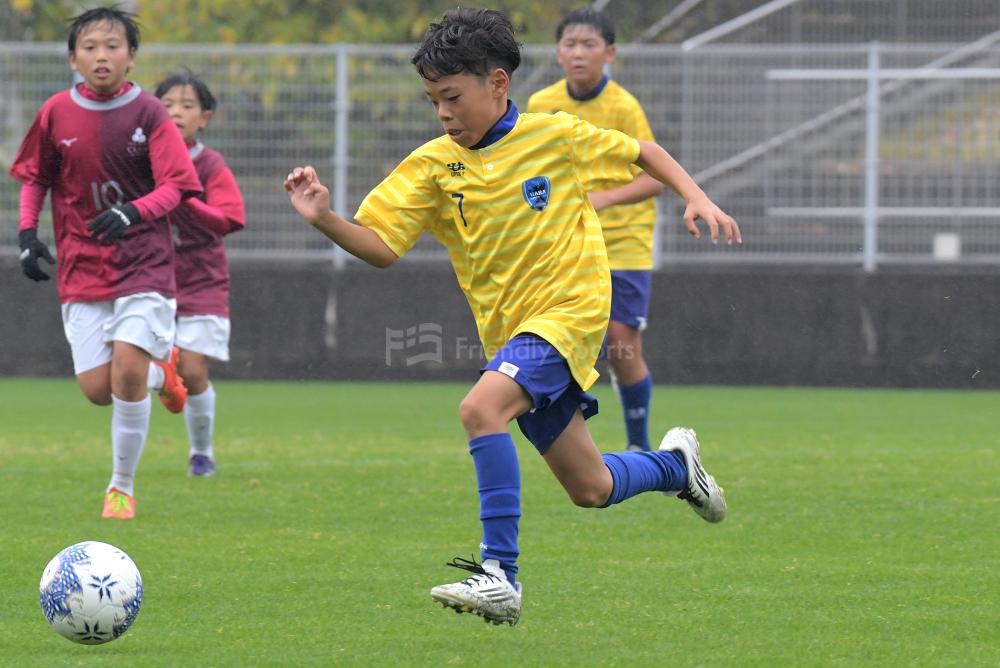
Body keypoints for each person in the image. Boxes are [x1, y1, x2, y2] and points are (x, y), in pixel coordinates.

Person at [284, 7, 740, 626]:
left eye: (453, 98)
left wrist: (696, 196)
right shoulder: (431, 166)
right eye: (433, 102)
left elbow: (643, 152)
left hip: (571, 311)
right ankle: (675, 466)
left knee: (480, 408)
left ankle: (500, 573)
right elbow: (382, 247)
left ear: (497, 83)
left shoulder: (555, 136)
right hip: (511, 334)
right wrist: (325, 220)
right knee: (591, 487)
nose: (443, 114)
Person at [9, 7, 201, 519]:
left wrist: (132, 211)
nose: (102, 56)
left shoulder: (150, 113)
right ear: (73, 58)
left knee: (127, 367)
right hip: (82, 268)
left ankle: (121, 488)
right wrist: (26, 234)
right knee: (99, 389)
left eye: (113, 46)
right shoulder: (55, 112)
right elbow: (36, 178)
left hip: (144, 265)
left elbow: (176, 186)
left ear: (131, 57)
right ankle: (164, 376)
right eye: (90, 47)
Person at [527, 8, 662, 452]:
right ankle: (571, 433)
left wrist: (602, 198)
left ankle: (639, 445)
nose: (579, 53)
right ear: (558, 53)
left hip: (623, 243)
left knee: (621, 344)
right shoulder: (541, 105)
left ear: (610, 54)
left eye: (589, 44)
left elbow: (654, 178)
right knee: (563, 342)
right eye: (570, 44)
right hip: (567, 245)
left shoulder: (623, 107)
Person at [155, 70, 246, 477]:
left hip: (201, 281)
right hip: (149, 278)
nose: (176, 113)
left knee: (191, 371)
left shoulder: (209, 165)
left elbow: (230, 218)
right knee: (127, 369)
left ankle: (201, 453)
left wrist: (183, 198)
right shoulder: (140, 160)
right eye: (167, 105)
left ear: (204, 118)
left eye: (187, 106)